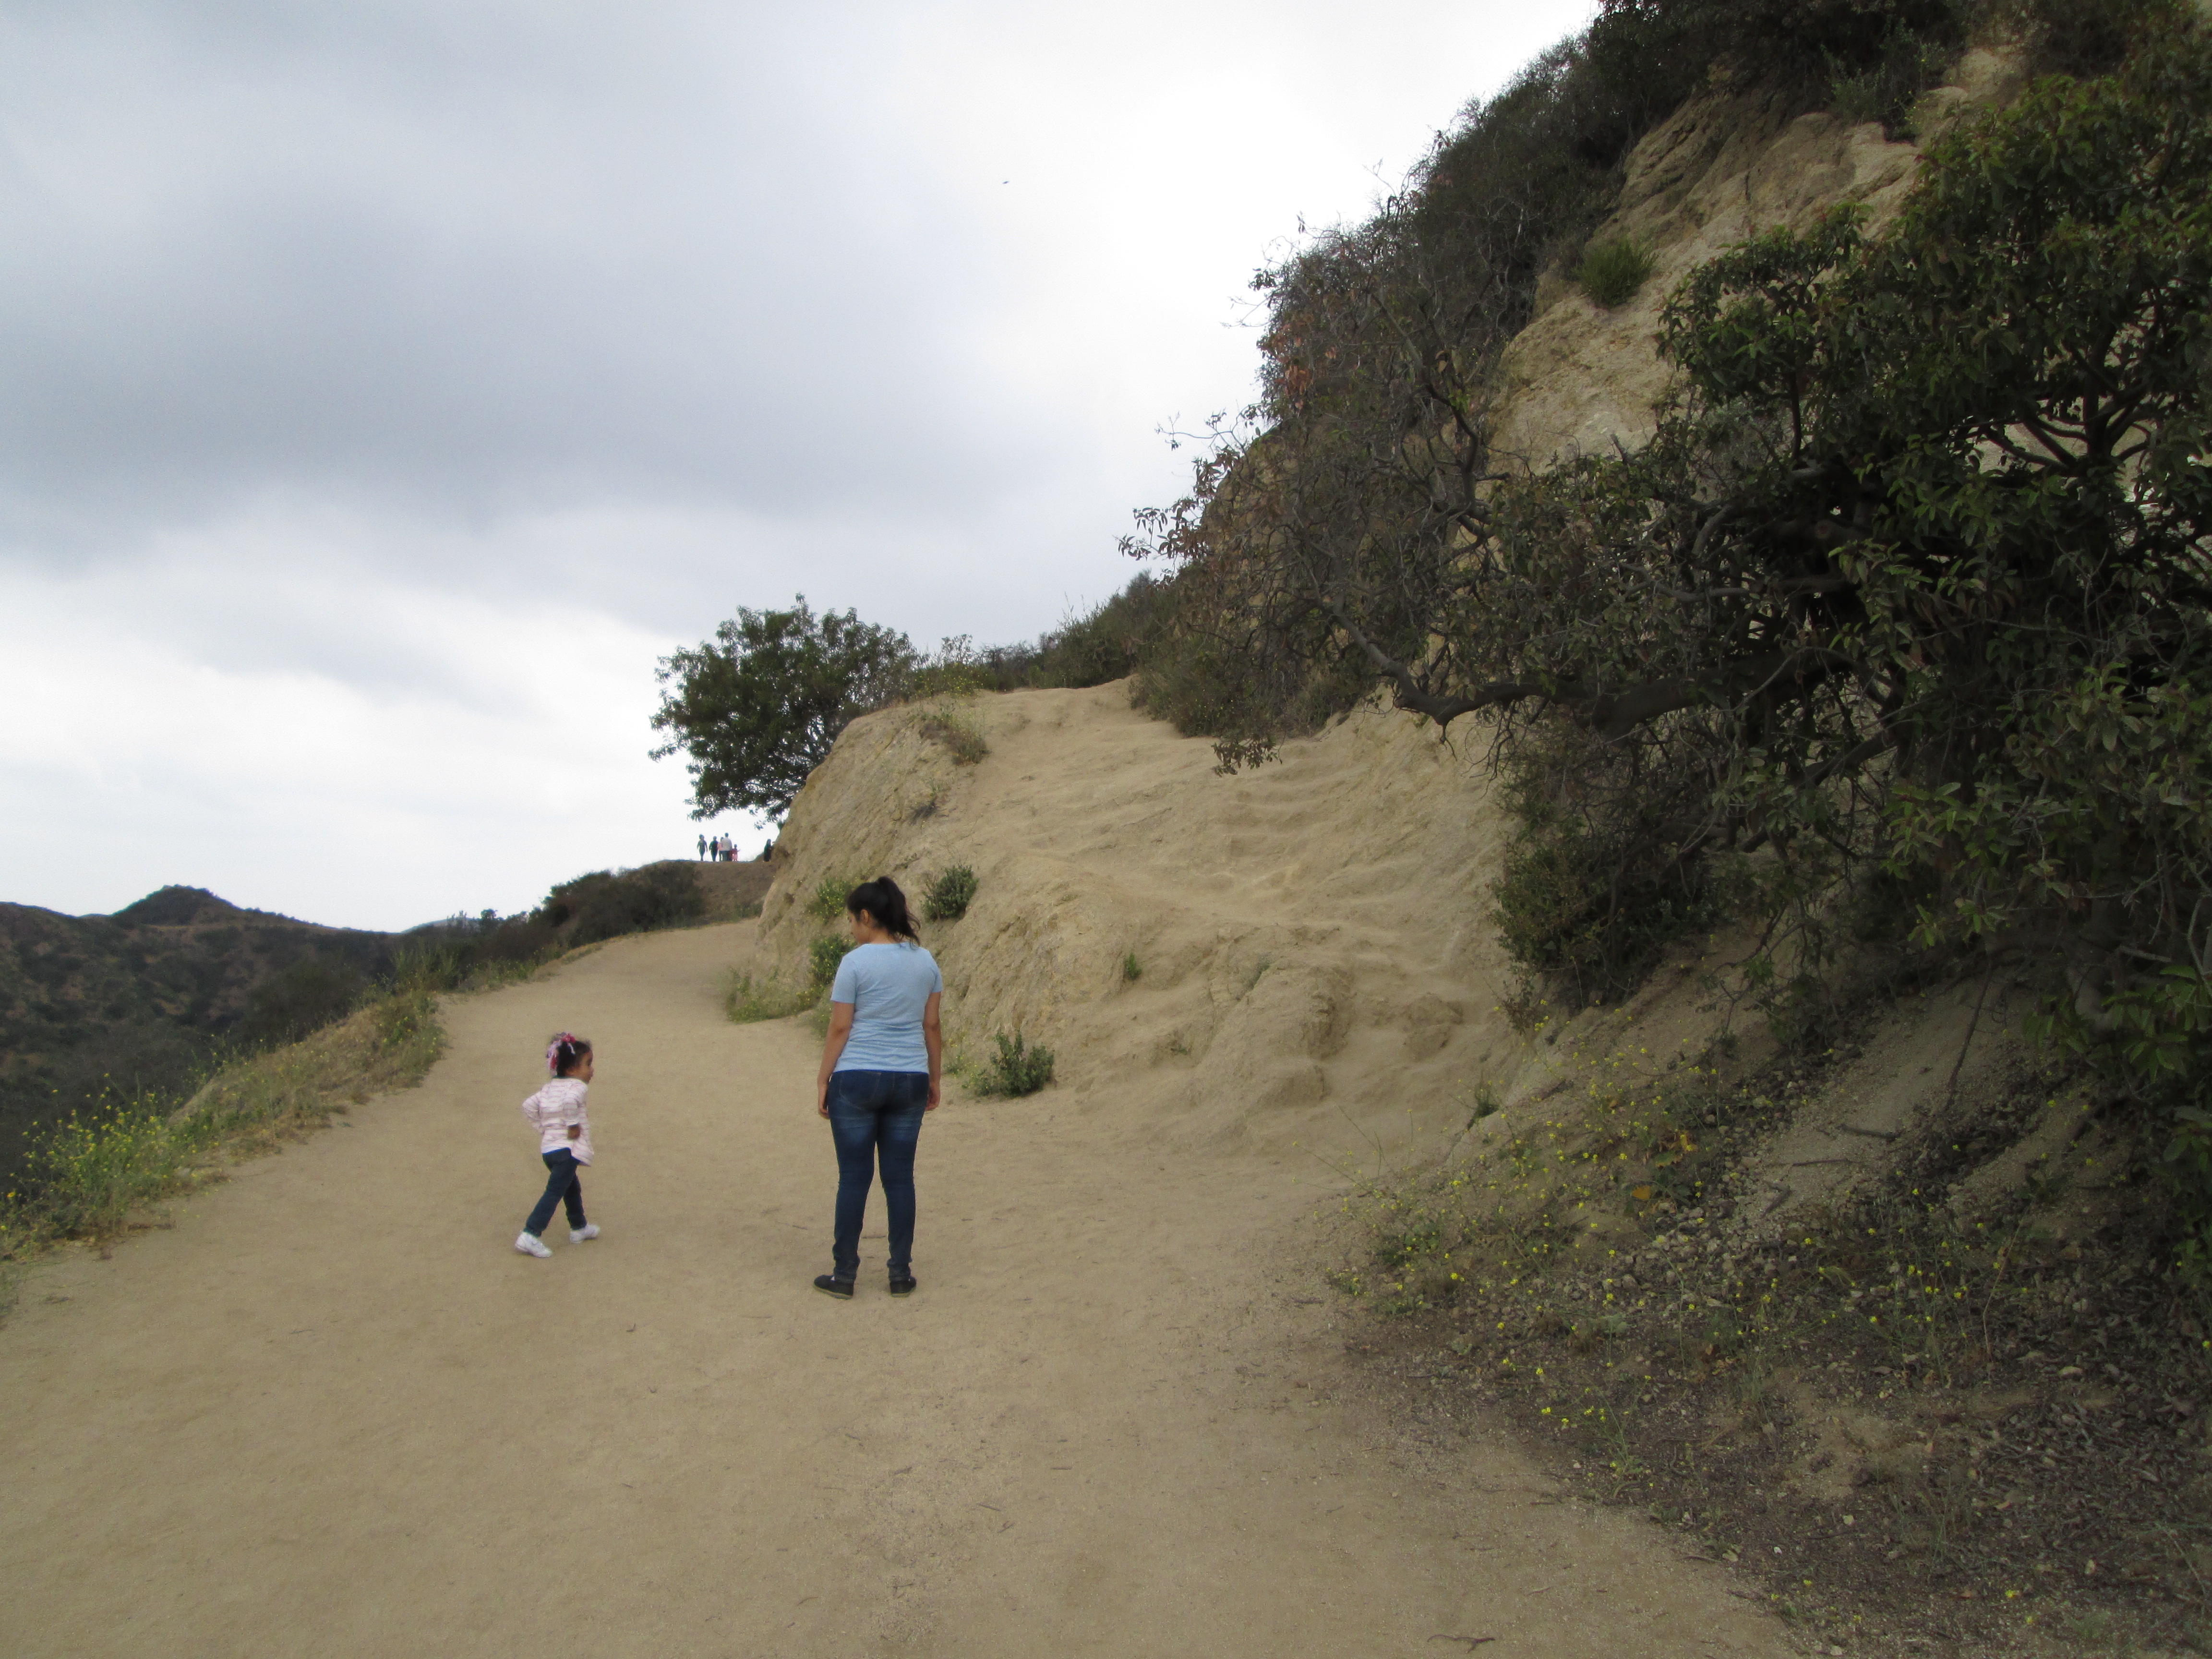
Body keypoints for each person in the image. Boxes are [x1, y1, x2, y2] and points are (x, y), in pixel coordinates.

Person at [813, 876, 941, 1298]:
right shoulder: (926, 962)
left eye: (853, 920)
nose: (852, 928)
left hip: (857, 1078)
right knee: (900, 1179)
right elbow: (932, 1025)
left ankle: (844, 1275)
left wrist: (824, 1077)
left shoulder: (855, 963)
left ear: (866, 917)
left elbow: (840, 1027)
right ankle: (900, 1273)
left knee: (854, 1178)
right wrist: (934, 1077)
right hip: (910, 1077)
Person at [515, 1032, 601, 1257]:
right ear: (571, 1069)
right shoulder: (578, 1087)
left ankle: (579, 1226)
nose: (592, 1070)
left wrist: (543, 1128)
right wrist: (572, 1126)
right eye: (588, 1064)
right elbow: (571, 1102)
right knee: (554, 1193)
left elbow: (528, 1106)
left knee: (571, 1188)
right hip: (566, 1150)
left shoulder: (549, 1088)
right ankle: (530, 1233)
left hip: (549, 1151)